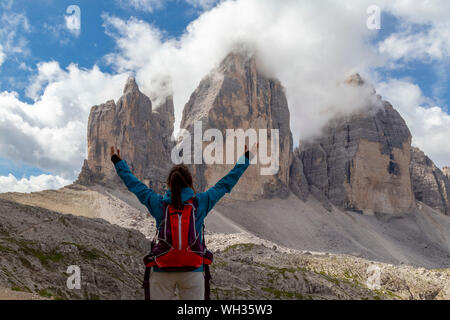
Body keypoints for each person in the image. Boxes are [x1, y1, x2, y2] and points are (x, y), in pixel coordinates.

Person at [110, 143, 257, 300]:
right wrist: (246, 158)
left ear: (169, 184)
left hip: (162, 271)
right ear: (190, 183)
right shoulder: (201, 202)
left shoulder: (158, 203)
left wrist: (118, 163)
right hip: (193, 271)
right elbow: (226, 183)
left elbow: (135, 186)